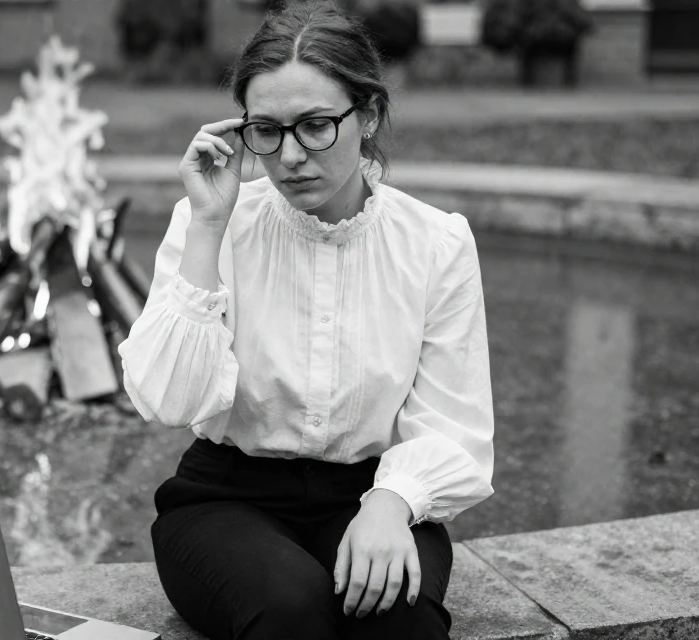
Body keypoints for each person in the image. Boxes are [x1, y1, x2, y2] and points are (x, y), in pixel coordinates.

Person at [117, 2, 495, 639]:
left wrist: (391, 501)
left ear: (368, 114)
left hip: (379, 495)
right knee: (291, 612)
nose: (289, 155)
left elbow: (457, 426)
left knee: (398, 622)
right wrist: (208, 225)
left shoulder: (436, 243)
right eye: (265, 130)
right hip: (226, 499)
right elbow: (169, 400)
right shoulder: (213, 224)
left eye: (316, 125)